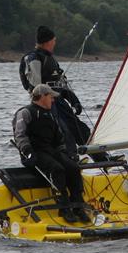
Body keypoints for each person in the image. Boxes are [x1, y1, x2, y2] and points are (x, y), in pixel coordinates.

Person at [12, 84, 91, 224]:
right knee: (57, 169)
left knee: (73, 168)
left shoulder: (50, 114)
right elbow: (20, 136)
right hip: (34, 153)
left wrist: (66, 154)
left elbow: (59, 138)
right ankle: (64, 208)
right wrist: (27, 152)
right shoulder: (25, 112)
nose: (53, 100)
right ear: (42, 97)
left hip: (50, 151)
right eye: (51, 97)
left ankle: (78, 206)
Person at [19, 26, 91, 157]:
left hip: (58, 100)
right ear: (48, 42)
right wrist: (44, 104)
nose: (55, 43)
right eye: (54, 40)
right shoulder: (33, 58)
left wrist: (74, 101)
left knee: (80, 128)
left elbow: (61, 83)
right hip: (45, 102)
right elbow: (36, 88)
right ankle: (70, 157)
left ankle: (101, 155)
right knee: (62, 130)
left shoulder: (51, 59)